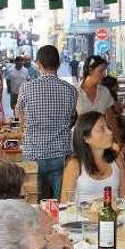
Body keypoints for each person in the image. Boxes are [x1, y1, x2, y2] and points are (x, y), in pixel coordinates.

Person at [16, 45, 78, 199]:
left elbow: (19, 113)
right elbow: (70, 117)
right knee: (62, 203)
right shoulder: (71, 90)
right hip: (60, 153)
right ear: (58, 64)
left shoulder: (27, 88)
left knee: (34, 204)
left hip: (33, 154)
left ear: (38, 64)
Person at [61, 111, 125, 202]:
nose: (110, 132)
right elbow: (65, 203)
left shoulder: (116, 159)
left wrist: (122, 168)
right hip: (83, 215)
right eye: (102, 129)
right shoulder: (75, 165)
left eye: (108, 127)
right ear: (86, 138)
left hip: (113, 215)